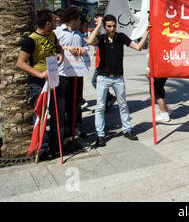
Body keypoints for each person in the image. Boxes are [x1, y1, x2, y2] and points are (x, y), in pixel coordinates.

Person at [87, 14, 149, 147]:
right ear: (105, 26)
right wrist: (98, 26)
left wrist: (146, 33)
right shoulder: (101, 38)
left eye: (114, 25)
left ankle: (127, 130)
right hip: (103, 77)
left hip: (118, 78)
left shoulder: (121, 37)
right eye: (109, 26)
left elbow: (138, 47)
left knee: (123, 105)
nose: (112, 28)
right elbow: (89, 41)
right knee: (100, 107)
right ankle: (100, 135)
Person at [16, 10, 65, 160]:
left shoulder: (52, 35)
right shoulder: (31, 40)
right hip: (39, 82)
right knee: (41, 114)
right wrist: (39, 74)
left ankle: (57, 145)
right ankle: (42, 148)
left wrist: (60, 55)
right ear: (48, 23)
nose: (57, 21)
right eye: (55, 20)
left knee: (58, 112)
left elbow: (59, 48)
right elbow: (21, 62)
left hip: (54, 77)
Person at [54, 8, 89, 140]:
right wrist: (66, 48)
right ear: (73, 19)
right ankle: (64, 131)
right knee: (63, 103)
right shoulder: (57, 32)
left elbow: (86, 46)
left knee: (77, 102)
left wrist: (83, 50)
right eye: (79, 19)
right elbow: (53, 48)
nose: (81, 22)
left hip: (77, 72)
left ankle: (77, 129)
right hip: (63, 73)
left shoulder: (78, 34)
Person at [90, 13, 116, 111]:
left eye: (97, 20)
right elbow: (90, 40)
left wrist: (101, 24)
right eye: (95, 21)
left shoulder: (104, 31)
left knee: (96, 82)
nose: (96, 23)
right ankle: (107, 99)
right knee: (100, 83)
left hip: (103, 61)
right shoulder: (99, 30)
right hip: (98, 60)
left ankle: (106, 102)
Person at [146, 55, 170, 122]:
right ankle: (165, 110)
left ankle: (164, 114)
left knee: (157, 92)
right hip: (165, 67)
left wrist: (148, 68)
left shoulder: (155, 44)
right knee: (160, 90)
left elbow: (152, 55)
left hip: (157, 68)